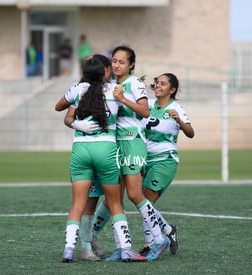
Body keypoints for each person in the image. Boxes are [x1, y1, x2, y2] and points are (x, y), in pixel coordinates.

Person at [55, 55, 147, 263]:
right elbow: (139, 111)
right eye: (110, 66)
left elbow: (60, 108)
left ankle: (70, 250)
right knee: (115, 204)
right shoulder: (115, 90)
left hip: (80, 150)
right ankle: (126, 249)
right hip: (106, 150)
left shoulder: (78, 89)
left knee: (78, 204)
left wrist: (77, 123)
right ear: (105, 70)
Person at [92, 45, 170, 262]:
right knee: (113, 197)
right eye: (114, 61)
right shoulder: (112, 84)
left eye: (121, 62)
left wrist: (123, 99)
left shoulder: (134, 83)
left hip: (133, 142)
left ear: (131, 64)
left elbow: (145, 111)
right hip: (116, 144)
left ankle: (159, 239)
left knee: (135, 194)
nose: (116, 65)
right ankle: (120, 247)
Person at [140, 73, 195, 256]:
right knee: (144, 203)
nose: (158, 86)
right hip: (144, 159)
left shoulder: (176, 107)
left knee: (145, 202)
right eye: (157, 83)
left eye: (163, 84)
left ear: (172, 90)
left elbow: (190, 132)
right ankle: (168, 231)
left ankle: (151, 244)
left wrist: (178, 119)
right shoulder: (147, 104)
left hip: (165, 160)